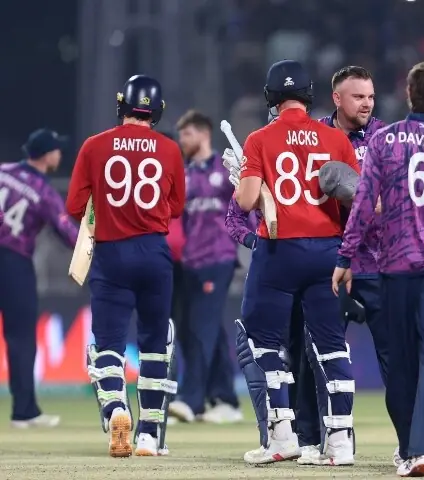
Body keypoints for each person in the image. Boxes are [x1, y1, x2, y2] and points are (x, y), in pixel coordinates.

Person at [333, 60, 424, 478]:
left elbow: (362, 204)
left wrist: (346, 257)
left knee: (400, 362)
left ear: (410, 94)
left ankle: (409, 448)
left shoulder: (385, 140)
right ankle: (421, 449)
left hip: (394, 265)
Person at [229, 59, 360, 466]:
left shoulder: (259, 139)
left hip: (278, 249)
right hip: (327, 251)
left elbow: (248, 202)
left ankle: (282, 436)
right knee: (332, 346)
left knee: (264, 342)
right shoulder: (336, 139)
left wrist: (240, 180)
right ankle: (339, 442)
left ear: (271, 96)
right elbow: (355, 200)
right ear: (310, 95)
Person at [65, 74, 185, 457]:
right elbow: (177, 207)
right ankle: (149, 432)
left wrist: (107, 212)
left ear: (123, 105)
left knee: (109, 344)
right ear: (158, 111)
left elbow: (73, 207)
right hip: (154, 253)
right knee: (154, 345)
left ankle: (117, 409)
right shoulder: (169, 149)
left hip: (111, 254)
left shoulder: (94, 146)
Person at [167, 109, 242, 425]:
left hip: (218, 258)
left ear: (203, 133)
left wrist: (248, 239)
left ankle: (191, 400)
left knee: (201, 329)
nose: (181, 140)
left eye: (186, 134)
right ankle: (224, 399)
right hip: (189, 262)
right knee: (194, 330)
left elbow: (246, 206)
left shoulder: (224, 170)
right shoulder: (183, 174)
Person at [0, 128, 78, 428]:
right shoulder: (42, 190)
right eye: (57, 150)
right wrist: (91, 251)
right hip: (13, 264)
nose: (60, 154)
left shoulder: (3, 171)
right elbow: (65, 231)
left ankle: (25, 410)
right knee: (20, 338)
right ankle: (24, 411)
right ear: (47, 155)